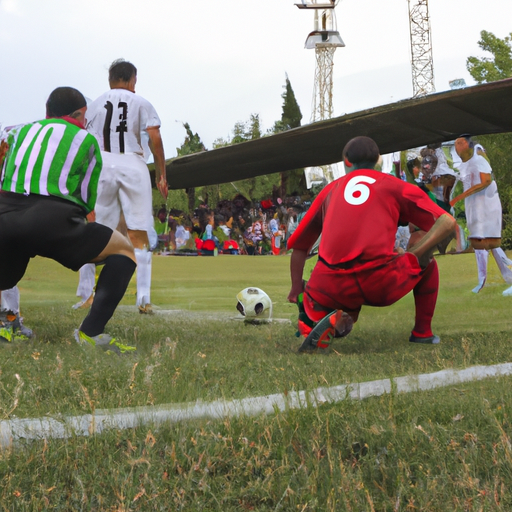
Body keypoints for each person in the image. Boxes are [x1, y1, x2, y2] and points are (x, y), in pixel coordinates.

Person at [287, 136, 456, 353]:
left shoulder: (330, 190)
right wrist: (412, 250)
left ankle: (315, 322)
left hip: (331, 285)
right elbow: (443, 222)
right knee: (427, 264)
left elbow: (300, 247)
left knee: (314, 293)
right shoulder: (395, 185)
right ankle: (422, 333)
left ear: (346, 161)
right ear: (378, 160)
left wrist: (295, 289)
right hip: (381, 282)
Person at [0, 87, 136, 352]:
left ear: (47, 112)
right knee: (124, 251)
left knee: (5, 275)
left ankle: (5, 326)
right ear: (78, 114)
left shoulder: (13, 132)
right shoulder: (86, 139)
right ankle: (91, 333)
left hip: (5, 214)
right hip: (53, 219)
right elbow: (84, 200)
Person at [78, 59, 168, 315]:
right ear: (132, 80)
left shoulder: (94, 105)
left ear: (110, 80)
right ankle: (143, 300)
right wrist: (161, 174)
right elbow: (155, 137)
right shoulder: (141, 102)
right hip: (133, 165)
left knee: (96, 231)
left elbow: (85, 141)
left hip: (103, 165)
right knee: (138, 233)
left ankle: (88, 295)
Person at [450, 135, 512, 294]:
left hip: (487, 207)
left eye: (459, 143)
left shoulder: (478, 159)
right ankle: (496, 278)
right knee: (484, 243)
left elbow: (486, 181)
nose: (457, 148)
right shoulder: (465, 165)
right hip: (474, 208)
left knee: (486, 240)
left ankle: (486, 280)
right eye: (455, 144)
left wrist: (460, 196)